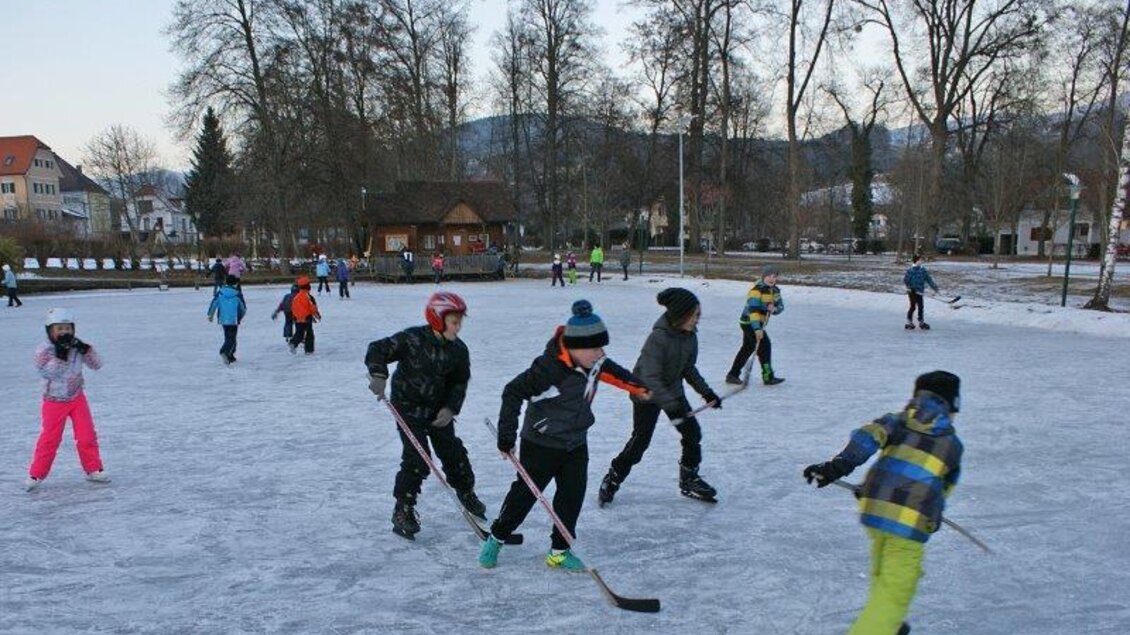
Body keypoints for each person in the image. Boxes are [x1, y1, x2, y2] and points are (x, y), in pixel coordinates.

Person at [478, 300, 651, 571]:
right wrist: (506, 437)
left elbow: (620, 376)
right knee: (525, 495)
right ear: (575, 347)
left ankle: (559, 550)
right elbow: (512, 392)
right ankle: (497, 537)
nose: (601, 353)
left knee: (572, 496)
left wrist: (643, 389)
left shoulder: (595, 362)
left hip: (575, 442)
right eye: (595, 348)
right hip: (541, 443)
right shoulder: (548, 369)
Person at [802, 371, 964, 635]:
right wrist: (932, 519)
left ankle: (889, 625)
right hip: (909, 524)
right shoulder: (951, 445)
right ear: (952, 405)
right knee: (896, 591)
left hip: (875, 511)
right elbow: (942, 488)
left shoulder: (898, 421)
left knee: (882, 568)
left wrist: (837, 467)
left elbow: (867, 438)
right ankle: (880, 624)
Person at [365, 291, 485, 540]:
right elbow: (378, 349)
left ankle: (466, 491)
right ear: (437, 320)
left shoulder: (459, 350)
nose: (458, 327)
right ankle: (403, 508)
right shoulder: (412, 339)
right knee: (417, 457)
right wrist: (378, 374)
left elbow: (459, 383)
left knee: (453, 452)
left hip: (438, 410)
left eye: (460, 322)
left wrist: (451, 408)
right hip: (408, 408)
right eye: (454, 322)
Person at [599, 288, 722, 506]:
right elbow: (651, 378)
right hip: (646, 394)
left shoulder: (690, 336)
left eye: (698, 314)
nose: (697, 319)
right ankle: (614, 477)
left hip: (672, 392)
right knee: (640, 442)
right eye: (694, 314)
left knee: (692, 434)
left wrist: (706, 392)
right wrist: (672, 405)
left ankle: (689, 478)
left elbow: (688, 368)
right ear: (680, 315)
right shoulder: (658, 339)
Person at [26, 308, 110, 491]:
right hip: (53, 401)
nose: (64, 332)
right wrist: (61, 355)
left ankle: (93, 469)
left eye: (67, 328)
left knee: (87, 435)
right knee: (50, 438)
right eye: (59, 328)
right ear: (50, 330)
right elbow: (47, 372)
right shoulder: (44, 349)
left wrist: (86, 350)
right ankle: (36, 473)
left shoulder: (76, 347)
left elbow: (97, 365)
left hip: (77, 398)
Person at [725, 263, 785, 386]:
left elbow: (781, 306)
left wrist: (774, 309)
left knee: (748, 348)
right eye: (769, 276)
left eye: (774, 276)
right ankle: (768, 377)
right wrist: (757, 329)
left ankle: (732, 375)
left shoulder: (775, 291)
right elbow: (753, 311)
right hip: (749, 322)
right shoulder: (756, 291)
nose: (772, 279)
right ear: (763, 277)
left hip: (759, 323)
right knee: (765, 346)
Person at [207, 275, 247, 364]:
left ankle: (230, 355)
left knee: (228, 336)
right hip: (233, 319)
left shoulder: (220, 292)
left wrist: (210, 315)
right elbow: (243, 307)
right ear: (235, 283)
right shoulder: (237, 293)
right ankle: (224, 351)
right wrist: (242, 315)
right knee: (232, 338)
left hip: (223, 318)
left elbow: (214, 303)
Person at [904, 255, 939, 330]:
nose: (921, 261)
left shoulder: (923, 270)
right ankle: (909, 322)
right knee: (913, 306)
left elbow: (929, 279)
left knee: (921, 306)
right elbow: (906, 280)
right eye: (920, 260)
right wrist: (909, 287)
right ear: (916, 261)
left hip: (920, 291)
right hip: (912, 292)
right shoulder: (910, 270)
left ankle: (921, 322)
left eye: (921, 260)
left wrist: (934, 287)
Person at [289, 276, 321, 354]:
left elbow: (293, 307)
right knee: (309, 333)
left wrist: (294, 317)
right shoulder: (308, 296)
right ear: (308, 286)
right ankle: (309, 350)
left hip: (297, 318)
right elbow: (312, 307)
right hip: (307, 317)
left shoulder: (296, 297)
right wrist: (317, 315)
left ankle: (293, 342)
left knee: (299, 332)